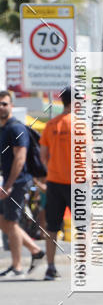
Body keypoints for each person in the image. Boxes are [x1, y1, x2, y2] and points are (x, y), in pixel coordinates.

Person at [0, 91, 45, 277]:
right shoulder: (3, 129)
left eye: (4, 103)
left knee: (10, 221)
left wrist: (9, 184)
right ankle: (35, 250)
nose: (1, 107)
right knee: (4, 220)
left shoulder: (16, 129)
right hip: (8, 181)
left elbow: (20, 158)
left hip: (18, 181)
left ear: (11, 106)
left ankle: (17, 266)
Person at [39, 87, 72, 280]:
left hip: (54, 182)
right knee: (85, 226)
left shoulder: (50, 125)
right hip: (77, 183)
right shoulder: (82, 125)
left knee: (52, 227)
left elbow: (43, 156)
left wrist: (55, 166)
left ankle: (50, 267)